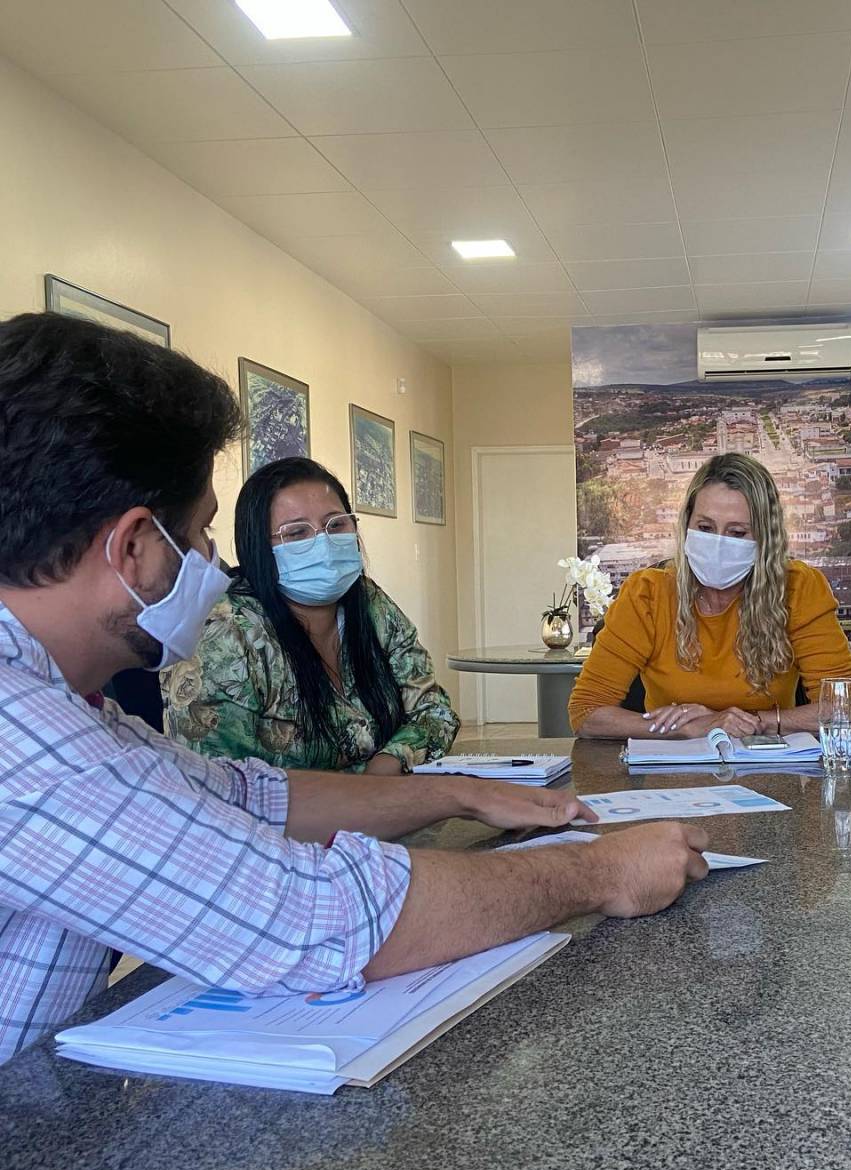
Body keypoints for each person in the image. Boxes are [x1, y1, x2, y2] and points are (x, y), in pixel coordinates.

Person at [0, 312, 710, 1064]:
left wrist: (455, 794)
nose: (212, 561)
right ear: (135, 547)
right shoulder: (25, 741)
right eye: (202, 535)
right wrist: (600, 870)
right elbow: (317, 916)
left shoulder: (73, 710)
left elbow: (254, 796)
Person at [163, 457, 459, 774]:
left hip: (389, 809)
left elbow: (435, 711)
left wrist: (388, 765)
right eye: (296, 533)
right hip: (281, 823)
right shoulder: (223, 635)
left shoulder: (370, 603)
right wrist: (370, 790)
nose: (324, 542)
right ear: (258, 546)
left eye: (337, 524)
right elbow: (221, 783)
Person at [568, 452, 851, 739]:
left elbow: (845, 706)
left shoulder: (799, 588)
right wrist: (688, 729)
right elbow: (586, 713)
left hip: (771, 771)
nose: (718, 543)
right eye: (705, 528)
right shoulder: (647, 593)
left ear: (765, 539)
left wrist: (751, 723)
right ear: (687, 525)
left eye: (738, 533)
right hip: (668, 775)